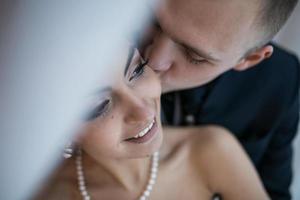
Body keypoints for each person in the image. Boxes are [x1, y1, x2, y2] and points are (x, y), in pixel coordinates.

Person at [34, 44, 269, 200]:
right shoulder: (50, 193)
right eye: (98, 106)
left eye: (136, 70)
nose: (144, 112)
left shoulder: (210, 151)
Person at [140, 0, 300, 199]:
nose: (153, 60)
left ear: (249, 59)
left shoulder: (280, 80)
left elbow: (274, 193)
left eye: (194, 56)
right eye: (153, 21)